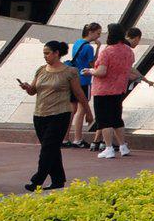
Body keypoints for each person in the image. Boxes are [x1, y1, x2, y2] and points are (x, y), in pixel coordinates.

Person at [20, 39, 87, 191]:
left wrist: (88, 111)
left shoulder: (70, 72)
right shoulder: (41, 70)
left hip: (60, 114)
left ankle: (37, 180)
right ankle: (58, 180)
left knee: (47, 149)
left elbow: (79, 93)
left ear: (57, 53)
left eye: (47, 53)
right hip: (39, 115)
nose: (45, 56)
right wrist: (26, 87)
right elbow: (33, 91)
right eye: (44, 53)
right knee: (51, 148)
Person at [87, 25, 138, 158]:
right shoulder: (128, 50)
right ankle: (123, 146)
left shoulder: (107, 51)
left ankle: (108, 148)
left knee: (104, 120)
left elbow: (102, 72)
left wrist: (91, 71)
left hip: (103, 90)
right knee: (116, 119)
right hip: (120, 88)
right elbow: (129, 69)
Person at [64, 22, 101, 149]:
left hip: (74, 79)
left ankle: (65, 137)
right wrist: (98, 49)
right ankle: (78, 138)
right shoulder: (89, 47)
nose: (98, 36)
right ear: (91, 32)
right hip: (84, 80)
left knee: (72, 109)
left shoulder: (77, 43)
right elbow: (93, 64)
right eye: (97, 33)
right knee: (82, 109)